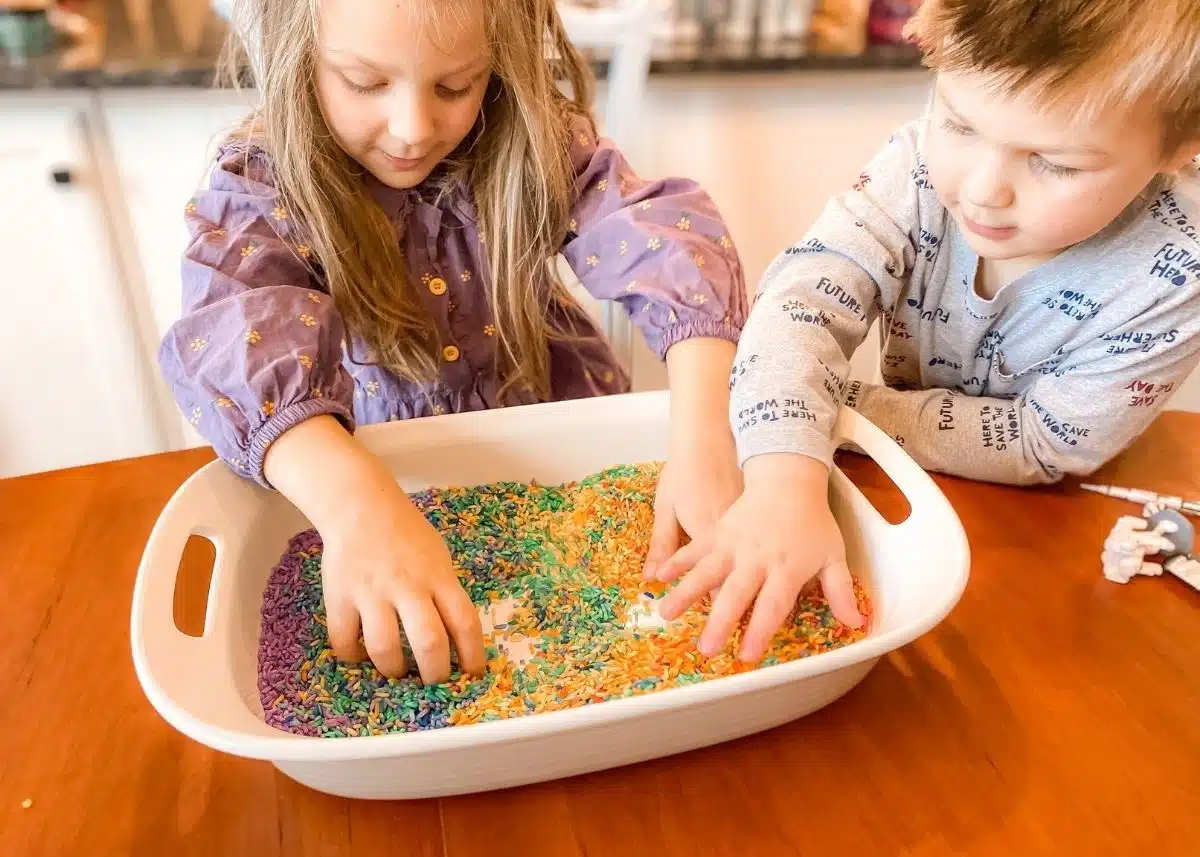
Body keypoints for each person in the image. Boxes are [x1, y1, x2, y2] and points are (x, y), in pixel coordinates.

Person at [159, 0, 748, 685]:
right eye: (364, 82)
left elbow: (669, 238)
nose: (413, 128)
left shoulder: (532, 141)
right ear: (298, 56)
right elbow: (230, 327)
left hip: (558, 439)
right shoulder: (263, 187)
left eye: (454, 86)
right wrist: (357, 506)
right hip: (373, 483)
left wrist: (706, 432)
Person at [651, 0, 1200, 663]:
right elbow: (802, 302)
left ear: (1179, 147)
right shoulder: (914, 169)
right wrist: (784, 477)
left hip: (1045, 541)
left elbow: (1045, 442)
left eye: (1055, 164)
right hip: (892, 489)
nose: (984, 189)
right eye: (960, 123)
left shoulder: (1176, 276)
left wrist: (842, 406)